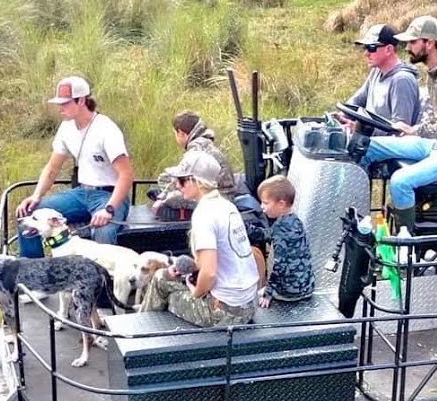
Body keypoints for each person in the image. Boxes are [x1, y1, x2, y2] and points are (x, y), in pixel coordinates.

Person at [357, 16, 437, 233]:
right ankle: (360, 219)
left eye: (412, 42)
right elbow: (436, 115)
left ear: (429, 43)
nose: (406, 47)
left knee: (401, 182)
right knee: (369, 145)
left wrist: (417, 130)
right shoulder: (435, 69)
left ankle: (404, 245)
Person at [14, 76, 133, 257]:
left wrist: (109, 209)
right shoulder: (66, 128)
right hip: (81, 193)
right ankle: (34, 270)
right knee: (29, 215)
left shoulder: (106, 130)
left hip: (109, 194)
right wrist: (36, 195)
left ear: (82, 100)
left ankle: (103, 280)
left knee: (103, 230)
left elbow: (126, 175)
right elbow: (52, 168)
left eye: (66, 103)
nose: (60, 108)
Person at [138, 150, 260, 326]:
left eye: (181, 181)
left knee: (160, 280)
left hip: (224, 312)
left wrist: (194, 293)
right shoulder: (227, 206)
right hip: (248, 303)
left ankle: (141, 335)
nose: (177, 186)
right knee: (167, 276)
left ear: (196, 181)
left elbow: (209, 273)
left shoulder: (204, 215)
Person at [337, 24, 421, 132]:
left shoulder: (402, 80)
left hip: (389, 147)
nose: (366, 53)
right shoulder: (376, 72)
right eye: (365, 48)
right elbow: (355, 102)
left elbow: (401, 132)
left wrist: (359, 130)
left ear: (388, 49)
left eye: (371, 48)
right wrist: (339, 117)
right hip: (371, 141)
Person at [151, 111, 238, 215]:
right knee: (165, 178)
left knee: (172, 198)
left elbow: (182, 177)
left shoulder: (196, 149)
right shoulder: (204, 143)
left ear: (181, 133)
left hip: (220, 196)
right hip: (217, 189)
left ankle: (175, 209)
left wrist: (162, 198)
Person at [255, 175, 313, 307]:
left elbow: (280, 266)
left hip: (290, 292)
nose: (261, 207)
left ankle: (276, 293)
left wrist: (268, 293)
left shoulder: (280, 230)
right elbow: (268, 235)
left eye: (265, 202)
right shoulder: (295, 221)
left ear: (281, 204)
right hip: (306, 286)